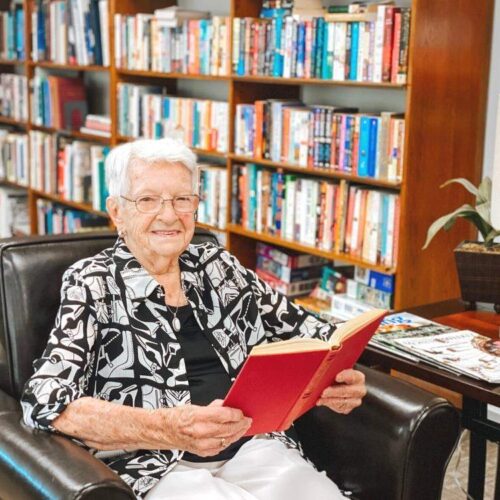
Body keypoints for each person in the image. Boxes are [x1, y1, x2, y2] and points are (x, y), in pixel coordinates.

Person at [20, 138, 367, 500]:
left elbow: (315, 335)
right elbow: (45, 401)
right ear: (117, 212)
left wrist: (335, 377)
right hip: (154, 462)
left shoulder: (219, 266)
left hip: (253, 445)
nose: (169, 215)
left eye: (182, 199)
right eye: (148, 200)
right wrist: (167, 426)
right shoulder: (92, 281)